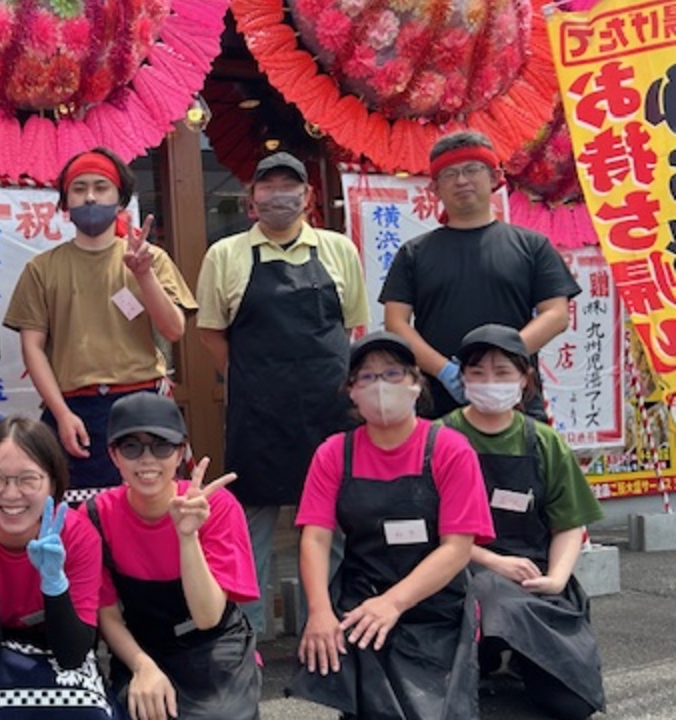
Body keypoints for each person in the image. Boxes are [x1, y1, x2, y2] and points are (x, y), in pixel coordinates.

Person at [195, 150, 367, 637]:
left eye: (288, 186)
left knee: (331, 521)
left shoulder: (339, 250)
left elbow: (353, 324)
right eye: (267, 187)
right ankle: (247, 634)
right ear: (251, 200)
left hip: (330, 406)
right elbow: (211, 333)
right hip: (258, 413)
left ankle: (331, 623)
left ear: (308, 196)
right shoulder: (225, 255)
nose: (278, 196)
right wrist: (252, 381)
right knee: (251, 527)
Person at [288, 331, 494, 720]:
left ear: (416, 384)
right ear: (351, 391)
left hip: (435, 607)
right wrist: (318, 611)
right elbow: (315, 536)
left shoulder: (450, 449)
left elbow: (457, 548)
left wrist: (394, 603)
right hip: (361, 600)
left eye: (393, 374)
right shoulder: (333, 453)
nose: (379, 386)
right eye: (366, 377)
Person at [5, 147, 197, 502]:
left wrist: (144, 275)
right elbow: (32, 347)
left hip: (142, 403)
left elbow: (174, 330)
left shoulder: (151, 258)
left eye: (100, 187)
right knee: (77, 518)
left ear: (120, 198)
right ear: (65, 203)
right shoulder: (42, 269)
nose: (90, 197)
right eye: (78, 189)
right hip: (72, 409)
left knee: (149, 511)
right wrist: (61, 413)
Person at [439, 324, 606, 719]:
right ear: (462, 378)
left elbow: (568, 523)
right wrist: (492, 562)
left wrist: (557, 579)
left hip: (534, 576)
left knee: (572, 702)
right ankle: (481, 656)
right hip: (458, 573)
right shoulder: (440, 437)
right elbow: (432, 528)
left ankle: (520, 659)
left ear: (524, 379)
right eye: (477, 373)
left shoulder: (544, 442)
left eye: (502, 373)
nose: (489, 382)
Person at [380, 130, 580, 421]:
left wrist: (502, 363)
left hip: (516, 401)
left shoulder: (532, 246)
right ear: (435, 188)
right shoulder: (414, 253)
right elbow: (396, 323)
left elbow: (556, 314)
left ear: (495, 176)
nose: (462, 180)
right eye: (450, 174)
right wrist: (446, 371)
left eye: (472, 169)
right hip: (439, 402)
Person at [85, 392, 262, 720]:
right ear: (114, 456)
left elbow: (208, 616)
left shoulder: (216, 506)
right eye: (131, 448)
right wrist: (142, 667)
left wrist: (187, 535)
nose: (147, 460)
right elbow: (106, 614)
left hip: (213, 647)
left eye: (162, 446)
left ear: (181, 452)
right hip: (142, 647)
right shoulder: (95, 515)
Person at [0, 416, 115, 718]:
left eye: (28, 479)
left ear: (52, 483)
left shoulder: (77, 537)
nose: (12, 494)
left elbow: (72, 655)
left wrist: (54, 582)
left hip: (52, 644)